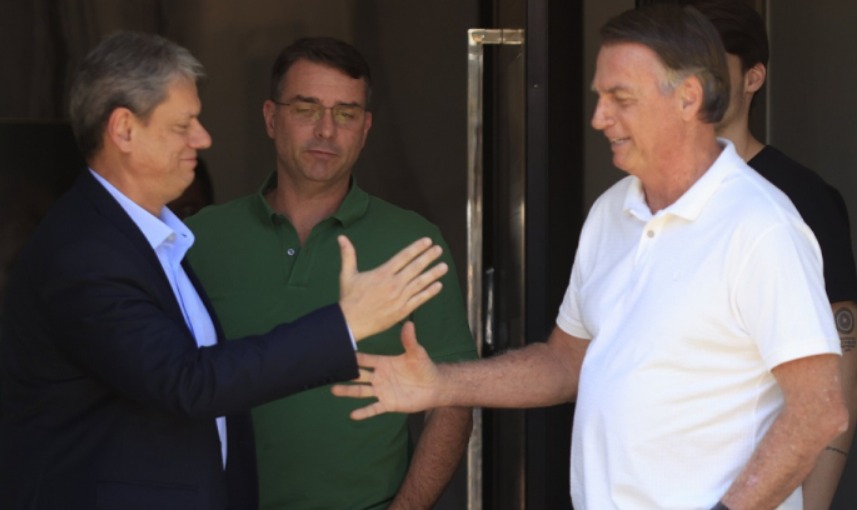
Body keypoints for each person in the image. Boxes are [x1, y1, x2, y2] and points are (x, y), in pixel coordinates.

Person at [333, 5, 849, 509]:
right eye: (599, 97)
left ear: (688, 98)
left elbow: (819, 411)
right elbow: (565, 362)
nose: (599, 118)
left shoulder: (760, 226)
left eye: (621, 98)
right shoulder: (611, 211)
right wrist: (441, 384)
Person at [0, 31, 448, 510]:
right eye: (183, 124)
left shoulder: (155, 241)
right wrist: (346, 324)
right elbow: (189, 384)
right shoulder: (87, 252)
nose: (204, 139)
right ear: (124, 130)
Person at [186, 37, 475, 510]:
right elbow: (164, 386)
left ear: (365, 128)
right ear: (271, 118)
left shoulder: (413, 241)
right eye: (306, 109)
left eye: (346, 114)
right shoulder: (201, 240)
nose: (326, 130)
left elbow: (455, 396)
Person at [640, 1, 857, 506]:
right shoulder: (643, 197)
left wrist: (814, 502)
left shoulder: (802, 199)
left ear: (753, 78)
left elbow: (841, 366)